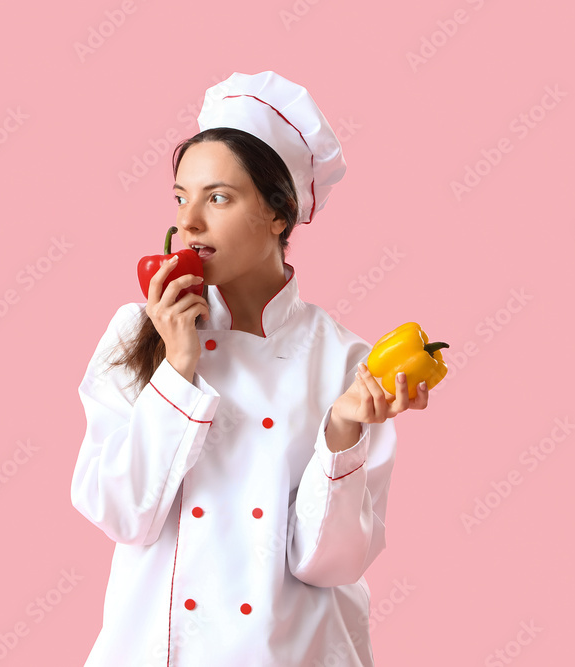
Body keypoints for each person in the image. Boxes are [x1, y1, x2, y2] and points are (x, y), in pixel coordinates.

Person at [71, 71, 430, 666]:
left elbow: (330, 563)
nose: (188, 223)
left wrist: (342, 432)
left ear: (278, 217)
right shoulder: (138, 332)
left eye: (218, 197)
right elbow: (121, 513)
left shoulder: (347, 361)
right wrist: (179, 367)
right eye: (182, 198)